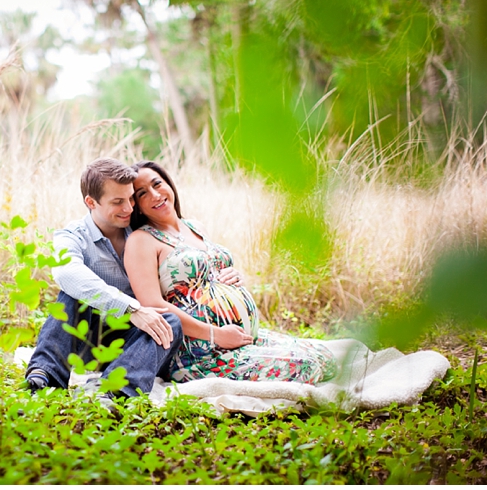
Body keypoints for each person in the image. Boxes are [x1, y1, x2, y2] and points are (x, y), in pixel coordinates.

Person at [124, 160, 336, 384]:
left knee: (326, 359)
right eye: (142, 193)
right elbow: (152, 305)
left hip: (239, 337)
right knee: (307, 366)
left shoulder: (194, 226)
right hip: (198, 353)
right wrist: (216, 334)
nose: (155, 195)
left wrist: (233, 277)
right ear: (136, 205)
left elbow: (210, 273)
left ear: (169, 183)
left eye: (157, 184)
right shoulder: (142, 240)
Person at [24, 158, 184, 403]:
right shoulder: (73, 235)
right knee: (71, 293)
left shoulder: (143, 231)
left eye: (131, 198)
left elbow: (186, 256)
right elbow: (66, 272)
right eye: (117, 202)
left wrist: (221, 274)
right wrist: (130, 308)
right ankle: (43, 378)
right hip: (89, 339)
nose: (129, 208)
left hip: (137, 346)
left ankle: (109, 389)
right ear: (91, 202)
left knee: (169, 320)